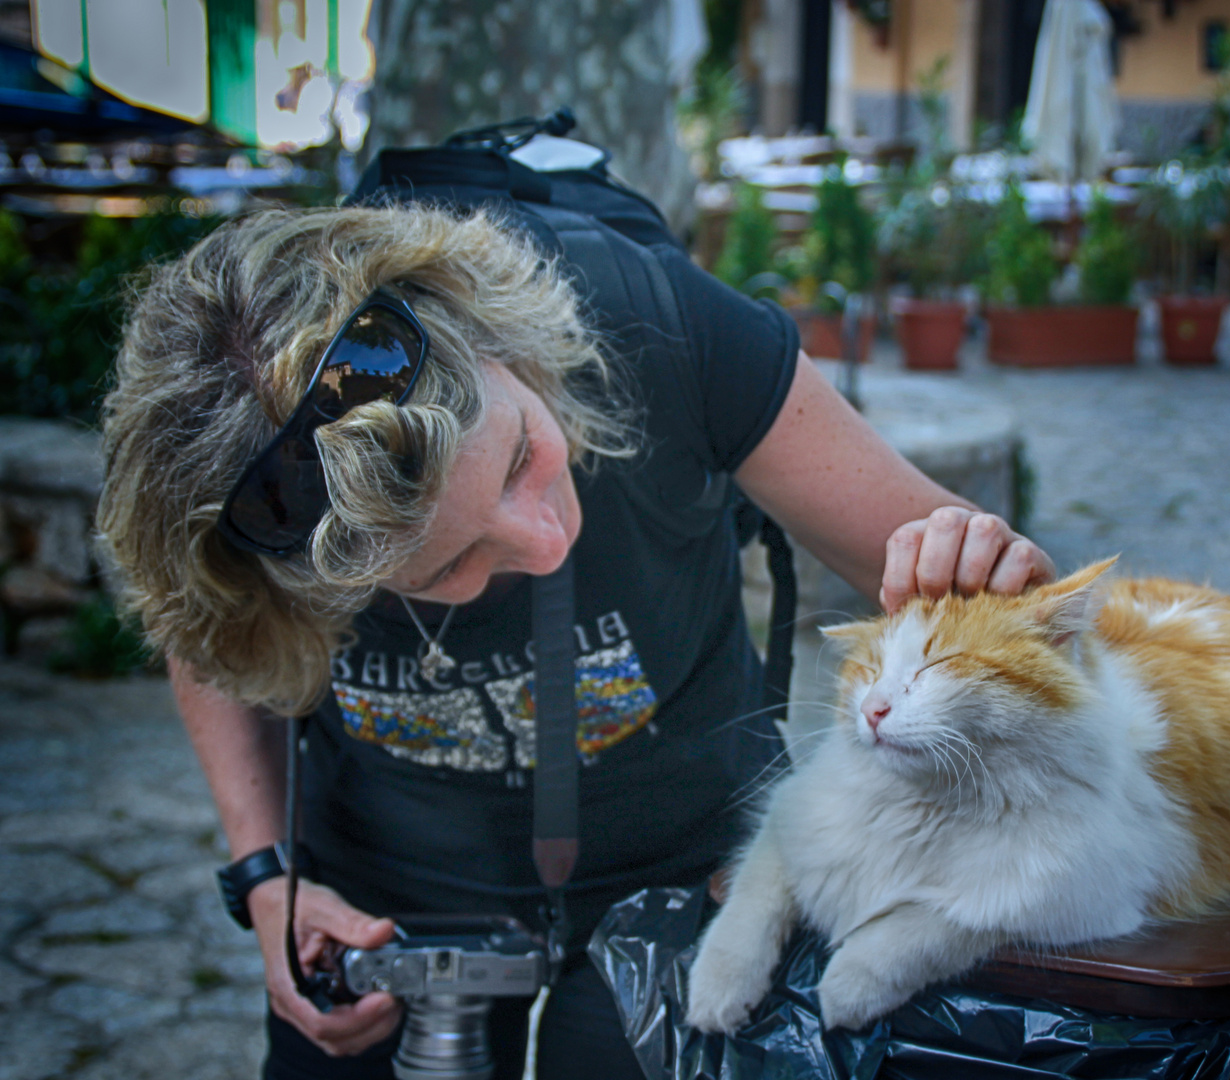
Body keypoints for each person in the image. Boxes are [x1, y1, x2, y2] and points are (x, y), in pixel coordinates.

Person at [97, 201, 1056, 1079]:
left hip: (691, 870)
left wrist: (974, 565)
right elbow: (210, 628)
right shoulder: (264, 520)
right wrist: (266, 877)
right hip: (388, 889)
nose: (546, 542)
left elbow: (1013, 610)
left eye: (521, 454)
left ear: (496, 340)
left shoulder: (664, 325)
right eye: (447, 568)